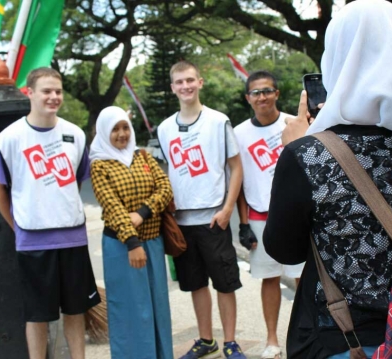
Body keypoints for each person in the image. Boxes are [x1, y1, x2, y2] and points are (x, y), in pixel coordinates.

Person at [263, 1, 392, 358]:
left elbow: (284, 249)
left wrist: (294, 150)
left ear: (337, 60)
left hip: (344, 337)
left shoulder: (308, 155)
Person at [0, 67, 100, 359]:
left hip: (73, 236)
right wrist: (17, 225)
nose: (53, 97)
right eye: (46, 91)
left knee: (75, 310)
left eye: (58, 91)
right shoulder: (9, 139)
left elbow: (76, 179)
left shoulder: (75, 134)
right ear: (30, 93)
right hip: (32, 240)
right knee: (37, 315)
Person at [157, 60, 245, 359]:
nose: (185, 86)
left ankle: (231, 342)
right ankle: (206, 339)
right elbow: (165, 171)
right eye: (179, 82)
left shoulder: (218, 121)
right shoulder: (165, 128)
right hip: (181, 221)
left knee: (225, 283)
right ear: (172, 87)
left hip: (213, 217)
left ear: (200, 82)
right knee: (195, 284)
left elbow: (236, 167)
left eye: (190, 80)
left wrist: (227, 209)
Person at [90, 106, 173, 359]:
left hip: (154, 243)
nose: (122, 134)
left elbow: (165, 187)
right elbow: (113, 208)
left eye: (125, 127)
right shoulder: (99, 166)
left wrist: (143, 212)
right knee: (130, 310)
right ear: (104, 132)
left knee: (157, 306)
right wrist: (133, 243)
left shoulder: (143, 157)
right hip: (122, 247)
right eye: (115, 129)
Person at [234, 70, 304, 359]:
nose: (261, 97)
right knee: (270, 278)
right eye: (255, 92)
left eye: (267, 91)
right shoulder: (238, 133)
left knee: (303, 278)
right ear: (248, 98)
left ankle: (306, 334)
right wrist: (243, 224)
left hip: (297, 215)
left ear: (276, 93)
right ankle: (272, 341)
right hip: (260, 216)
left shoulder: (294, 124)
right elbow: (237, 181)